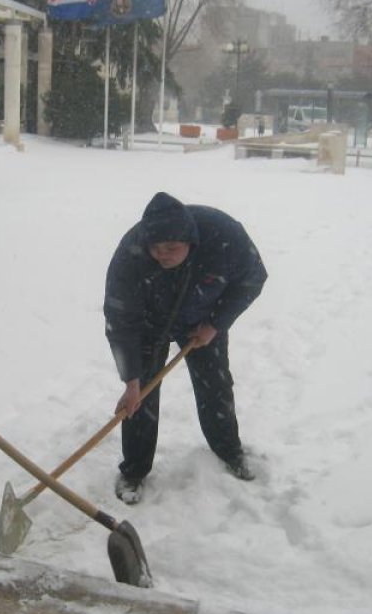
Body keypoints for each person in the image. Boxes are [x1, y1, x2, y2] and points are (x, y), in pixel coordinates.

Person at [103, 192, 268, 504]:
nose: (162, 254)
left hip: (202, 321)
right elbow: (120, 318)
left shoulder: (224, 236)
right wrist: (131, 380)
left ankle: (229, 451)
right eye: (155, 248)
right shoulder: (132, 254)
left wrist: (216, 324)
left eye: (171, 248)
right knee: (141, 399)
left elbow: (253, 278)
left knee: (215, 386)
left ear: (190, 240)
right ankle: (134, 471)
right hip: (150, 325)